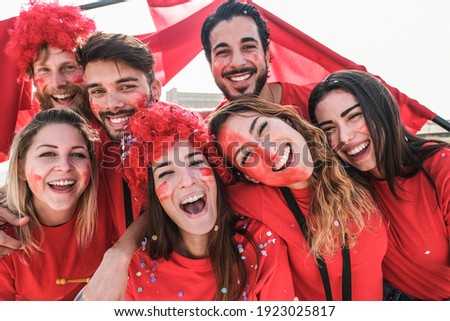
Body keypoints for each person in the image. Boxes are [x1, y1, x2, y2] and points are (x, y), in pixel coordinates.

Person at [207, 96, 387, 300]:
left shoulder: (350, 157)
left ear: (287, 119)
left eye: (263, 129)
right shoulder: (256, 200)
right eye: (247, 156)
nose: (270, 151)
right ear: (248, 176)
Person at [122, 102, 294, 300]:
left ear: (216, 172)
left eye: (195, 162)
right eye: (166, 173)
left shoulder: (261, 243)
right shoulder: (133, 268)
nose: (187, 181)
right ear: (154, 197)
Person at [308, 69, 450, 301]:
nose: (344, 136)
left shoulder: (441, 169)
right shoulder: (341, 187)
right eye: (329, 128)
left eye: (354, 116)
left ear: (382, 109)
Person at [0, 0, 97, 260]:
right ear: (31, 77)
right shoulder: (27, 141)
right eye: (44, 70)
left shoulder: (119, 131)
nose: (58, 83)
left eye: (68, 67)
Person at [74, 31, 163, 300]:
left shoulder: (185, 142)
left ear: (155, 90)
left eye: (125, 87)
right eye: (98, 91)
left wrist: (123, 248)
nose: (111, 104)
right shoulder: (86, 146)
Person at [0, 108, 115, 300]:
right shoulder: (6, 240)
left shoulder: (112, 210)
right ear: (21, 168)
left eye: (77, 155)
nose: (64, 166)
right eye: (48, 154)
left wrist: (123, 251)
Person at [201, 1, 313, 119]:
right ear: (210, 64)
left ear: (267, 54)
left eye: (248, 47)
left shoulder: (315, 103)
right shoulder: (209, 133)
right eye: (223, 52)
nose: (237, 63)